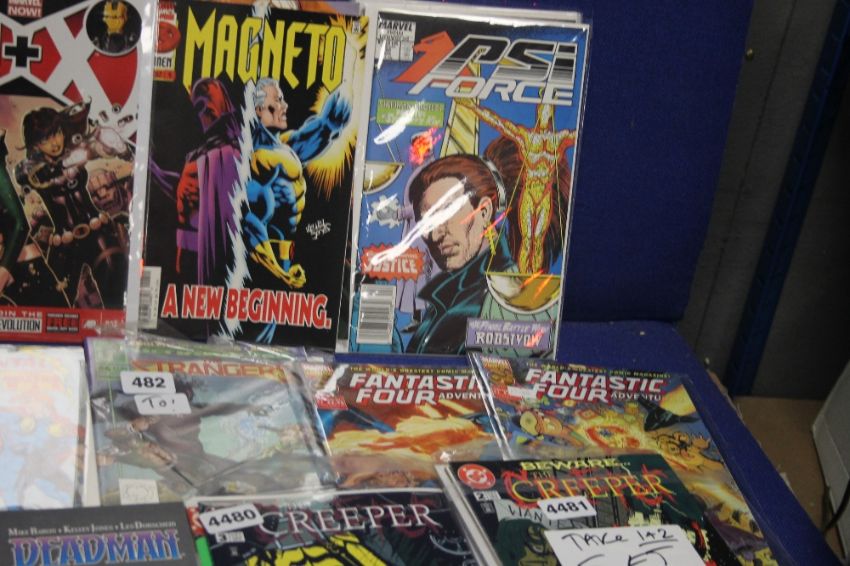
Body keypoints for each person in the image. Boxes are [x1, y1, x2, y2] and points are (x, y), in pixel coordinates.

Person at [15, 104, 129, 308]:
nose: (54, 142)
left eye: (56, 133)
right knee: (53, 300)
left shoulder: (72, 151)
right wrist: (52, 165)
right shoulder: (33, 168)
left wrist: (108, 144)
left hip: (96, 228)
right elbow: (22, 173)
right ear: (36, 144)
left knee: (116, 284)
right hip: (65, 242)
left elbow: (97, 147)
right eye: (45, 139)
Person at [244, 78, 350, 293]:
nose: (285, 106)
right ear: (259, 110)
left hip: (284, 264)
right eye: (277, 100)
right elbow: (249, 223)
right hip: (260, 271)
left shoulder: (283, 148)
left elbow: (317, 132)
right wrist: (279, 273)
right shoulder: (255, 160)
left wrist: (337, 111)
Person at [404, 154, 513, 354]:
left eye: (447, 213)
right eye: (426, 223)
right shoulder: (450, 295)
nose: (435, 235)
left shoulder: (498, 301)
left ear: (484, 212)